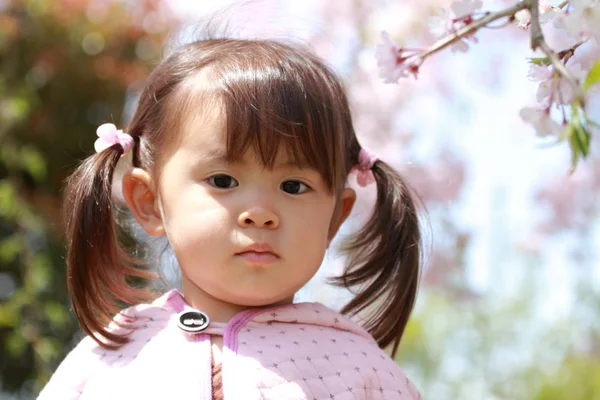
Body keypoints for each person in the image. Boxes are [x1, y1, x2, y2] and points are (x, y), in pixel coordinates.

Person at [37, 35, 423, 399]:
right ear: (150, 202)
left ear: (335, 218)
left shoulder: (360, 370)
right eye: (223, 180)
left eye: (293, 186)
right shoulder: (106, 361)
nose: (260, 214)